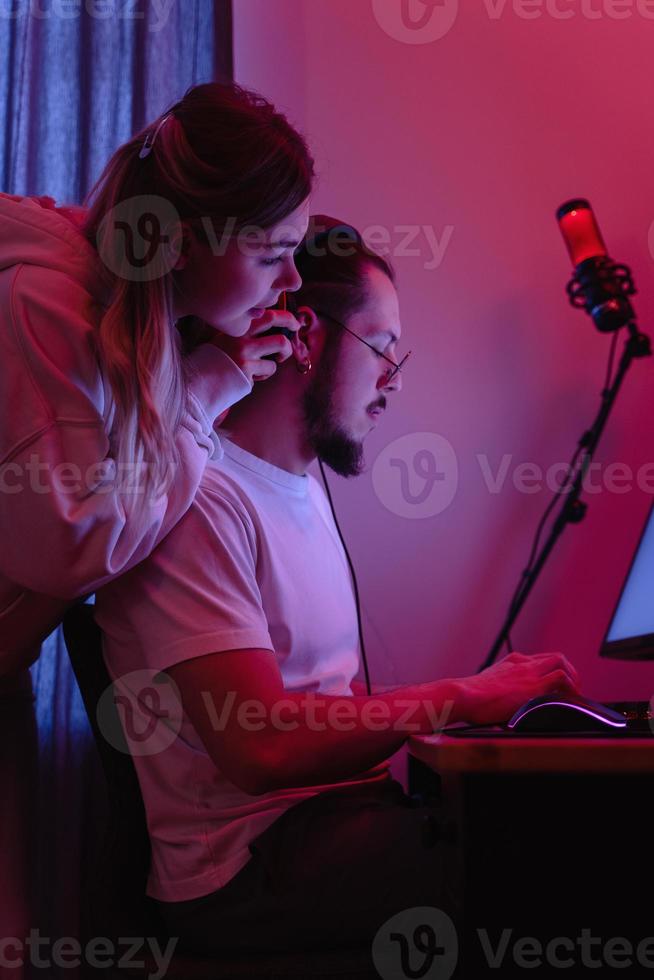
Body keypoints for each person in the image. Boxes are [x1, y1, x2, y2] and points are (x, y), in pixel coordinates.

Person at [95, 217, 581, 954]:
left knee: (576, 818)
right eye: (382, 349)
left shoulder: (301, 487)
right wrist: (468, 694)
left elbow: (329, 713)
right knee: (552, 867)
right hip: (248, 870)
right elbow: (260, 749)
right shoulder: (202, 499)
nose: (392, 379)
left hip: (334, 824)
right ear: (304, 335)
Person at [0, 81, 313, 674]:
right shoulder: (44, 309)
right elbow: (77, 544)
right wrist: (201, 390)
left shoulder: (150, 331)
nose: (292, 281)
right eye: (272, 255)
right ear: (179, 243)